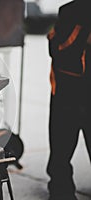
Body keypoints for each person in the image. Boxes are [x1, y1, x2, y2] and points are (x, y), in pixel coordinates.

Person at [47, 0, 91, 199]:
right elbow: (57, 48)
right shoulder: (71, 11)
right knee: (61, 147)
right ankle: (61, 189)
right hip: (68, 90)